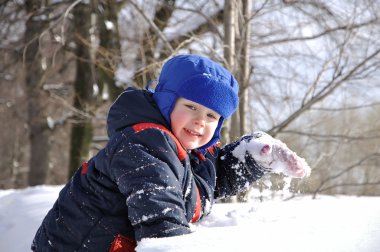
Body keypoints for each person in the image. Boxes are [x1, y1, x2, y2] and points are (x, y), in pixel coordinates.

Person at [31, 54, 309, 252]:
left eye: (212, 115)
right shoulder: (143, 146)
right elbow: (161, 223)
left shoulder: (184, 152)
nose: (201, 120)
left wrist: (254, 156)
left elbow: (205, 184)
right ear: (166, 102)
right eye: (191, 107)